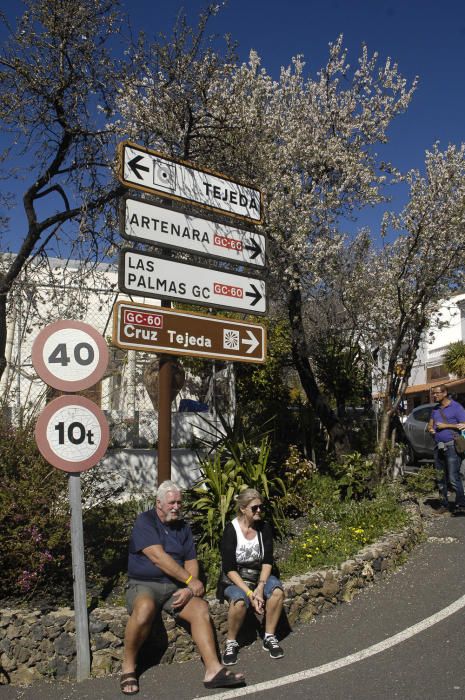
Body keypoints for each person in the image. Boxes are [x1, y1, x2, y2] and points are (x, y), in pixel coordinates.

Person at [120, 480, 245, 695]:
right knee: (144, 609)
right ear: (158, 503)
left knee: (200, 609)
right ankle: (128, 666)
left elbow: (191, 561)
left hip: (174, 587)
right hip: (144, 584)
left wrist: (189, 588)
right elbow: (158, 557)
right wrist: (190, 581)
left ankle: (213, 670)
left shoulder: (183, 527)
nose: (176, 506)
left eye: (179, 502)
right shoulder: (145, 521)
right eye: (172, 503)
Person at [219, 488, 285, 666]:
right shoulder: (231, 530)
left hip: (259, 576)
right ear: (242, 509)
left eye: (260, 507)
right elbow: (229, 568)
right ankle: (231, 642)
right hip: (236, 578)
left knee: (277, 591)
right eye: (254, 508)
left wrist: (261, 586)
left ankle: (269, 636)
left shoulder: (263, 528)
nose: (259, 511)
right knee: (239, 601)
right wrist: (250, 593)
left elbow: (267, 561)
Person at [427, 385, 465, 514]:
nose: (434, 396)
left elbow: (463, 424)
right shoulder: (435, 409)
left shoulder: (456, 407)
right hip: (438, 446)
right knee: (440, 477)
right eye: (433, 393)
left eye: (437, 393)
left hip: (451, 446)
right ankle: (444, 504)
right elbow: (430, 424)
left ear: (445, 393)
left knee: (453, 477)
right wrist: (431, 429)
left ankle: (461, 504)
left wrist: (446, 425)